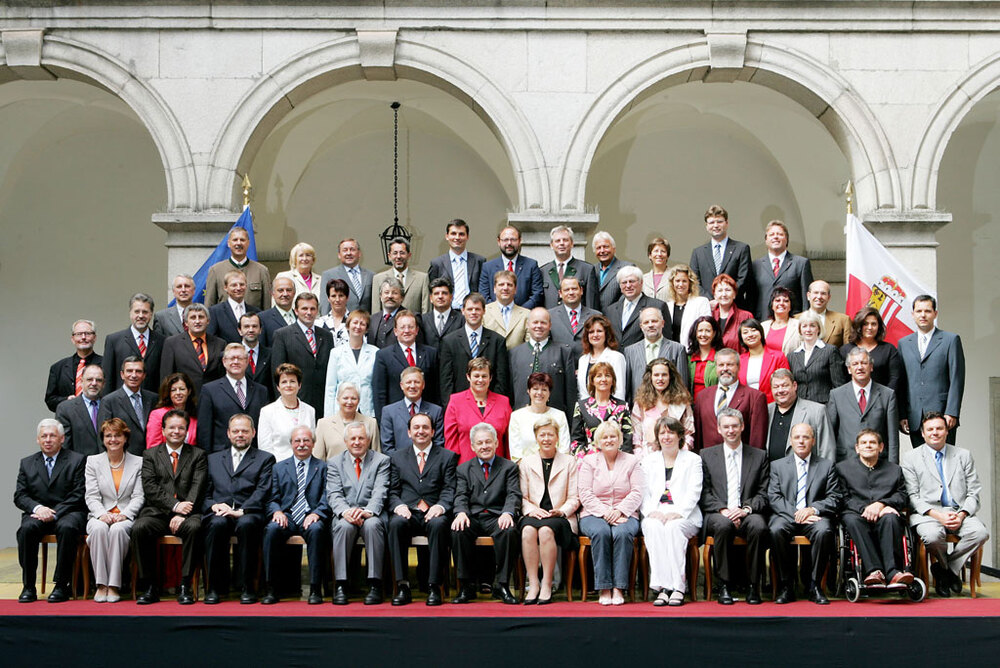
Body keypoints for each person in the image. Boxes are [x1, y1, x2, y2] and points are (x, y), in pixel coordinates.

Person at [901, 412, 988, 597]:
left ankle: (946, 571)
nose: (935, 433)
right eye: (930, 429)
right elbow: (912, 496)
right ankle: (947, 570)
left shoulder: (963, 455)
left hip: (960, 512)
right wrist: (938, 516)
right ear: (923, 434)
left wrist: (962, 514)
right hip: (928, 514)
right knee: (932, 536)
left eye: (939, 428)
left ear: (947, 431)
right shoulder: (911, 458)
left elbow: (974, 492)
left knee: (981, 533)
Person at [132, 409, 207, 605]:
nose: (176, 431)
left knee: (194, 528)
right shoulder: (150, 455)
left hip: (188, 514)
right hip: (158, 512)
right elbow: (150, 488)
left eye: (181, 428)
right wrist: (175, 506)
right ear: (163, 430)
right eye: (171, 427)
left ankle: (185, 585)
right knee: (140, 528)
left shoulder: (198, 455)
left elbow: (197, 487)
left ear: (187, 431)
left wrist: (184, 512)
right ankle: (149, 586)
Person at [699, 408, 770, 604]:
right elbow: (704, 492)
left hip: (748, 511)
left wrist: (745, 509)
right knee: (723, 525)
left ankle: (753, 586)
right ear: (719, 429)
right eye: (726, 427)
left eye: (734, 426)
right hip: (718, 512)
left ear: (742, 427)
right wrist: (724, 510)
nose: (731, 430)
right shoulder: (706, 455)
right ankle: (724, 585)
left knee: (759, 526)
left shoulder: (759, 456)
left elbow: (764, 493)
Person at [202, 413, 275, 604]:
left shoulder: (265, 459)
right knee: (216, 524)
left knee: (246, 524)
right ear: (228, 433)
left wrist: (243, 510)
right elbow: (205, 493)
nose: (240, 434)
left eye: (244, 431)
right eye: (236, 431)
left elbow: (263, 490)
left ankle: (248, 587)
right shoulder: (213, 459)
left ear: (253, 433)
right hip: (220, 512)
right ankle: (214, 588)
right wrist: (214, 505)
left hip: (249, 512)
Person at [387, 412, 458, 606]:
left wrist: (441, 506)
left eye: (425, 427)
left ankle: (434, 586)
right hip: (407, 512)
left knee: (439, 524)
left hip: (434, 511)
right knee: (396, 524)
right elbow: (392, 490)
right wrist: (399, 506)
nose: (421, 431)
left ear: (433, 431)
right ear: (409, 432)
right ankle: (403, 585)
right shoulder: (396, 457)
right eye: (416, 428)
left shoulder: (447, 456)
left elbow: (450, 488)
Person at [14, 419, 86, 603]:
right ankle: (28, 587)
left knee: (67, 528)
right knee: (26, 530)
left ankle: (62, 585)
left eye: (52, 435)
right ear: (38, 440)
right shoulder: (27, 463)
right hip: (37, 513)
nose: (48, 440)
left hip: (68, 511)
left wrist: (53, 512)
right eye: (43, 436)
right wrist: (38, 509)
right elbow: (20, 496)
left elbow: (79, 493)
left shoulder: (77, 460)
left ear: (62, 439)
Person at [767, 423, 840, 605]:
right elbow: (774, 497)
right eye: (797, 437)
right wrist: (797, 513)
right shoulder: (777, 466)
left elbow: (835, 497)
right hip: (786, 515)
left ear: (813, 441)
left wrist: (812, 509)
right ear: (791, 441)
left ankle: (815, 586)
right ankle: (786, 585)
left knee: (824, 531)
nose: (801, 441)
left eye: (806, 437)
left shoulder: (826, 466)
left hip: (815, 516)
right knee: (775, 530)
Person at [450, 422, 522, 605]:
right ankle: (466, 586)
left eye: (488, 442)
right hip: (472, 516)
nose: (484, 446)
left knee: (509, 531)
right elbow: (460, 495)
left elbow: (513, 494)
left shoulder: (509, 467)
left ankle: (502, 585)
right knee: (458, 530)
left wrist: (508, 513)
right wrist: (460, 513)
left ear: (497, 443)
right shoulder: (463, 469)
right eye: (480, 443)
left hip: (497, 516)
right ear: (473, 446)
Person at [262, 425, 329, 605]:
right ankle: (271, 588)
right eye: (297, 441)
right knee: (271, 529)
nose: (301, 444)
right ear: (291, 444)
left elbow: (327, 496)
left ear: (313, 443)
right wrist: (276, 511)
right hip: (288, 515)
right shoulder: (278, 468)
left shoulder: (323, 467)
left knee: (317, 530)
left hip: (311, 515)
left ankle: (315, 589)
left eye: (306, 440)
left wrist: (317, 513)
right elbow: (272, 497)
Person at [578, 420, 644, 605]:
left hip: (626, 513)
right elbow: (585, 493)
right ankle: (604, 587)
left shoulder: (631, 461)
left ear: (620, 439)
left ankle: (619, 588)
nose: (609, 440)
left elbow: (638, 491)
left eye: (613, 436)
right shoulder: (589, 461)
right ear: (598, 441)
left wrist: (620, 510)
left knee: (623, 534)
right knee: (601, 532)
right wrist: (607, 512)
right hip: (593, 513)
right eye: (604, 437)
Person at [640, 416, 703, 606]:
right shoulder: (648, 461)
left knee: (673, 528)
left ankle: (677, 587)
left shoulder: (693, 460)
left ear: (679, 435)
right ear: (657, 437)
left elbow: (695, 490)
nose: (666, 436)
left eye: (671, 432)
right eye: (662, 433)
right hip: (656, 512)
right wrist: (652, 512)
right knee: (652, 527)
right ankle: (662, 586)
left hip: (685, 514)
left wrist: (679, 512)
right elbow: (643, 492)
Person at [836, 429, 911, 587]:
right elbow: (842, 497)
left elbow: (902, 496)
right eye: (864, 443)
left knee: (891, 518)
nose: (868, 446)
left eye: (872, 442)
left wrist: (882, 504)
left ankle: (893, 572)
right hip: (856, 514)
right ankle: (874, 571)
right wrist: (866, 509)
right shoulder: (842, 468)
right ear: (857, 448)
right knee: (852, 520)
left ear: (881, 447)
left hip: (885, 514)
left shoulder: (894, 470)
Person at [327, 421, 390, 605]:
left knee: (373, 526)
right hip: (345, 514)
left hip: (372, 514)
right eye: (352, 438)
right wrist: (346, 512)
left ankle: (374, 584)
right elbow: (334, 493)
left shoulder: (381, 461)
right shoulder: (334, 463)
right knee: (343, 527)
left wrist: (367, 511)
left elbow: (381, 490)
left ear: (368, 440)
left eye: (361, 438)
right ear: (346, 441)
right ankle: (341, 584)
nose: (357, 442)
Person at [518, 417, 580, 605]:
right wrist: (531, 510)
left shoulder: (570, 461)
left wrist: (560, 511)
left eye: (550, 434)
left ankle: (547, 583)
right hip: (534, 513)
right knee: (528, 530)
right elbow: (521, 497)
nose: (546, 439)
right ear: (536, 437)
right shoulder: (526, 463)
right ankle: (533, 584)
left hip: (560, 516)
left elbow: (575, 497)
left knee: (546, 530)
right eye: (542, 435)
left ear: (557, 437)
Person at [84, 417, 144, 603]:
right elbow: (92, 496)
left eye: (117, 435)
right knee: (99, 529)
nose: (113, 440)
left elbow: (138, 496)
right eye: (108, 436)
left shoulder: (139, 462)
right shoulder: (93, 462)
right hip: (99, 514)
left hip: (125, 515)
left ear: (125, 438)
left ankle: (114, 585)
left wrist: (125, 514)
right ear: (103, 439)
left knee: (118, 530)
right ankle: (101, 584)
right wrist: (102, 514)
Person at [898, 295, 966, 446]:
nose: (923, 315)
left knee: (945, 463)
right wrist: (902, 414)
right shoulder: (904, 343)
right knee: (921, 464)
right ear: (913, 314)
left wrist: (952, 411)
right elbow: (902, 382)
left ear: (935, 313)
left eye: (927, 311)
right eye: (919, 311)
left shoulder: (950, 340)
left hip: (943, 415)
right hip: (914, 416)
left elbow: (957, 379)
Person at [827, 347, 899, 462]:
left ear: (871, 367)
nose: (860, 367)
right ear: (849, 369)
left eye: (864, 363)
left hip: (879, 462)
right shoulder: (836, 395)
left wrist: (893, 468)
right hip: (845, 462)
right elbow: (829, 435)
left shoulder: (887, 395)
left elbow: (893, 437)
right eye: (855, 364)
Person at [439, 292, 511, 403]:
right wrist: (450, 405)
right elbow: (446, 380)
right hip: (459, 404)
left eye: (477, 309)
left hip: (489, 404)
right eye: (470, 309)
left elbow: (501, 379)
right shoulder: (449, 341)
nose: (473, 313)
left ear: (484, 311)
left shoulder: (497, 341)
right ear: (463, 311)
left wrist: (495, 404)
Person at [271, 292, 334, 419]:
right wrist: (283, 405)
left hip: (322, 402)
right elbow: (277, 372)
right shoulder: (282, 335)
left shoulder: (326, 336)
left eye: (312, 309)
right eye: (304, 308)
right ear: (296, 311)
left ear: (317, 311)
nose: (309, 312)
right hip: (295, 401)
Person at [196, 344, 269, 452]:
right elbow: (204, 431)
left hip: (254, 458)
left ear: (247, 361)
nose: (235, 362)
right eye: (232, 358)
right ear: (224, 361)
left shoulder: (261, 391)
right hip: (221, 457)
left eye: (240, 358)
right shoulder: (210, 390)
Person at [692, 349, 767, 452]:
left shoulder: (755, 397)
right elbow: (698, 437)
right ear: (716, 367)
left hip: (741, 462)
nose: (725, 369)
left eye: (730, 365)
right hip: (709, 463)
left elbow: (757, 440)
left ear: (739, 367)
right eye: (721, 365)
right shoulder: (702, 396)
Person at [509, 308, 577, 420]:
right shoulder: (514, 353)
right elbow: (510, 392)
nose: (539, 326)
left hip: (553, 420)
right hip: (522, 419)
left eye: (543, 322)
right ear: (527, 324)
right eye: (535, 322)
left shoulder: (563, 352)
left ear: (550, 325)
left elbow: (570, 393)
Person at [372, 309, 438, 421]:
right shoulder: (383, 355)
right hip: (395, 418)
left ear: (417, 330)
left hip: (426, 418)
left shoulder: (431, 353)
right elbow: (379, 393)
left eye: (411, 327)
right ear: (395, 331)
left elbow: (435, 389)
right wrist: (382, 421)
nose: (406, 331)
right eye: (402, 327)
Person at [444, 357, 512, 463]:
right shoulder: (455, 401)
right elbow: (451, 442)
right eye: (476, 376)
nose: (480, 380)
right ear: (468, 377)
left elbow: (508, 441)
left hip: (498, 469)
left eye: (484, 376)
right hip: (466, 469)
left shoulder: (503, 402)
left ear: (490, 378)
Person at [689, 204, 753, 310]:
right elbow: (694, 281)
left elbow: (744, 279)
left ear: (727, 223)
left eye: (719, 221)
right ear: (706, 226)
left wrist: (724, 298)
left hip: (735, 307)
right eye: (711, 222)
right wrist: (710, 300)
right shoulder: (698, 253)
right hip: (708, 308)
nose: (716, 225)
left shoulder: (741, 249)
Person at [623, 306, 690, 403]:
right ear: (641, 326)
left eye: (654, 321)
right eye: (646, 322)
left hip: (669, 408)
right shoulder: (630, 351)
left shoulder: (677, 349)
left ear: (662, 323)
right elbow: (628, 388)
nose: (650, 325)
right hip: (640, 409)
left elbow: (682, 385)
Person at [750, 220, 813, 320]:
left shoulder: (801, 263)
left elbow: (807, 298)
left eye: (780, 234)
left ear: (787, 239)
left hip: (792, 321)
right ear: (766, 240)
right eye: (771, 234)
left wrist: (805, 320)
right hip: (763, 322)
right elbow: (751, 298)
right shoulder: (755, 265)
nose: (775, 237)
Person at [766, 369, 835, 461]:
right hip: (771, 473)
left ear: (794, 386)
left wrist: (826, 474)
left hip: (807, 473)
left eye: (785, 385)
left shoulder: (817, 411)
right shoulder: (766, 411)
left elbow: (827, 450)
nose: (780, 390)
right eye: (776, 387)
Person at [631, 358, 695, 455]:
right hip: (647, 459)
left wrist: (681, 454)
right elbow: (636, 437)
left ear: (670, 377)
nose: (660, 379)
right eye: (656, 375)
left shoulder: (682, 402)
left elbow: (689, 434)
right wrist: (640, 458)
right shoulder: (640, 403)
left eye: (664, 375)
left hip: (677, 457)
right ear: (650, 377)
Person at [102, 293, 164, 393]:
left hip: (153, 402)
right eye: (137, 311)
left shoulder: (162, 341)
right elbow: (107, 377)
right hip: (121, 403)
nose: (140, 316)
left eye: (145, 312)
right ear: (130, 313)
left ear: (151, 314)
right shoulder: (114, 340)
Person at [571, 362, 634, 457]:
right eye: (599, 376)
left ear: (613, 380)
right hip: (590, 461)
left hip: (617, 460)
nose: (603, 379)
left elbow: (627, 439)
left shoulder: (622, 406)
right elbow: (576, 440)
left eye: (607, 375)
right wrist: (585, 461)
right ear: (592, 380)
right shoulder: (581, 406)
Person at [96, 357, 157, 455]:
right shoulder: (109, 401)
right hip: (123, 459)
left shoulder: (153, 399)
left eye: (138, 371)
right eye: (129, 371)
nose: (133, 375)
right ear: (122, 374)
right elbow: (103, 435)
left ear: (144, 375)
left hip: (151, 457)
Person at [323, 309, 377, 418]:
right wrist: (328, 417)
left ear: (366, 329)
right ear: (348, 326)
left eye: (362, 324)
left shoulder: (375, 352)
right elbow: (330, 388)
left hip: (366, 410)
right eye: (355, 322)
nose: (358, 326)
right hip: (342, 410)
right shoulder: (336, 353)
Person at [159, 303, 225, 392]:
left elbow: (223, 376)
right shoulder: (172, 343)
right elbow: (166, 377)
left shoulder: (220, 344)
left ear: (208, 320)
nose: (197, 321)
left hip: (213, 398)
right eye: (193, 317)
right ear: (186, 322)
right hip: (185, 399)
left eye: (201, 317)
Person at [258, 363, 316, 462]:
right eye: (284, 382)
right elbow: (265, 447)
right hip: (279, 467)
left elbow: (313, 442)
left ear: (299, 385)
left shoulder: (310, 410)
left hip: (306, 466)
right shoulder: (267, 412)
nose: (288, 385)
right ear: (278, 387)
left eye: (292, 381)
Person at [379, 367, 444, 454]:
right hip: (399, 465)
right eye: (408, 382)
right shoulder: (389, 412)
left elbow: (438, 444)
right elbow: (387, 447)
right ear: (402, 385)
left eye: (417, 382)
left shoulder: (436, 411)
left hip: (429, 464)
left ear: (423, 385)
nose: (412, 386)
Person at [787, 310, 849, 403]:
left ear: (819, 328)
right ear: (800, 330)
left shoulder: (830, 351)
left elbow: (838, 386)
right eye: (804, 326)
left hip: (824, 407)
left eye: (812, 325)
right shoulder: (792, 356)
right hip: (799, 407)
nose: (808, 330)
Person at [840, 306, 904, 395]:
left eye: (873, 324)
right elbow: (841, 379)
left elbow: (895, 378)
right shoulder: (845, 350)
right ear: (859, 325)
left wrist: (884, 399)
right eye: (865, 324)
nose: (869, 327)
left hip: (882, 401)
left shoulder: (889, 350)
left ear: (879, 327)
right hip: (852, 401)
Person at [204, 226, 272, 310]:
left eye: (242, 240)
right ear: (228, 243)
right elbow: (209, 305)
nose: (239, 243)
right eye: (235, 240)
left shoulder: (261, 271)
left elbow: (267, 307)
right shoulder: (216, 270)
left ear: (248, 243)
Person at [508, 372, 572, 462]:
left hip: (556, 469)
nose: (539, 393)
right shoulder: (517, 416)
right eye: (535, 389)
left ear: (549, 393)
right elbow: (516, 455)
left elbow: (564, 450)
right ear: (528, 391)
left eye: (544, 390)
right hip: (526, 470)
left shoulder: (559, 415)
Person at [478, 225, 544, 308]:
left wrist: (520, 313)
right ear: (499, 241)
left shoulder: (531, 265)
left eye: (513, 239)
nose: (509, 243)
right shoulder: (487, 267)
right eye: (505, 240)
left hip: (524, 317)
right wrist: (498, 312)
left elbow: (537, 294)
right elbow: (483, 295)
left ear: (520, 241)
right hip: (495, 317)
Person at [45, 319, 103, 412]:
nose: (83, 337)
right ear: (72, 339)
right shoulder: (58, 368)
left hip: (99, 418)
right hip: (68, 420)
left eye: (88, 333)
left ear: (95, 338)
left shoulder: (106, 364)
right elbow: (50, 400)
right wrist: (67, 400)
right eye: (79, 334)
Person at [427, 218, 486, 310]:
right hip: (447, 313)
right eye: (453, 233)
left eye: (461, 234)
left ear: (467, 237)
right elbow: (432, 292)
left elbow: (484, 290)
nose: (457, 237)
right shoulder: (437, 263)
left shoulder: (479, 261)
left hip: (471, 312)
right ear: (447, 236)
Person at [606, 265, 669, 348]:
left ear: (641, 282)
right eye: (624, 282)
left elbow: (667, 340)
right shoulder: (611, 310)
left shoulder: (658, 306)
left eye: (632, 281)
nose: (628, 286)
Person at [314, 382, 380, 460]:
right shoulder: (323, 424)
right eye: (345, 398)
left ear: (358, 401)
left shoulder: (371, 423)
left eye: (353, 398)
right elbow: (318, 459)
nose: (349, 402)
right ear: (338, 399)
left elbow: (377, 458)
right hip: (333, 471)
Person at [539, 225, 598, 309]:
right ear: (551, 245)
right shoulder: (543, 271)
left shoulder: (587, 269)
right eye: (557, 241)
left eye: (565, 240)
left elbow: (591, 304)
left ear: (572, 243)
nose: (561, 243)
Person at [371, 236, 431, 314]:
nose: (398, 256)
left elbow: (426, 311)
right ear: (389, 256)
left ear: (409, 255)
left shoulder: (422, 278)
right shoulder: (378, 279)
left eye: (402, 253)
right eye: (395, 253)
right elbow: (376, 312)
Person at [55, 364, 105, 456]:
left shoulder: (110, 405)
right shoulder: (66, 409)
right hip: (80, 467)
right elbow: (65, 445)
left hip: (109, 465)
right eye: (89, 379)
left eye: (98, 380)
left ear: (103, 384)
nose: (94, 383)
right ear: (81, 382)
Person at [576, 314, 627, 401]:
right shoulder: (582, 360)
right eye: (591, 332)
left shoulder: (617, 357)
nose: (595, 335)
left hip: (610, 411)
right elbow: (582, 392)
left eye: (599, 331)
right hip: (586, 411)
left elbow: (619, 391)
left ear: (606, 334)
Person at [738, 318, 790, 403]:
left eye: (753, 330)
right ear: (741, 338)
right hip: (747, 406)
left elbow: (786, 384)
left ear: (761, 333)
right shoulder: (739, 360)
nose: (750, 335)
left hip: (772, 405)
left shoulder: (778, 357)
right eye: (745, 332)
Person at [319, 237, 374, 314]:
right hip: (341, 323)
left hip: (366, 323)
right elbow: (325, 304)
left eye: (352, 249)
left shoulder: (371, 275)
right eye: (345, 250)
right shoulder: (329, 275)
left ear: (359, 253)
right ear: (339, 255)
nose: (349, 253)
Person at [548, 276, 599, 357]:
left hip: (588, 365)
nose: (571, 292)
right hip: (560, 366)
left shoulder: (596, 316)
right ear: (560, 294)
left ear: (581, 291)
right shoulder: (550, 316)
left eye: (574, 289)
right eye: (566, 290)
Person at [663, 263, 712, 349]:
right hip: (671, 352)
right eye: (677, 281)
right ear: (672, 283)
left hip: (693, 352)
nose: (680, 285)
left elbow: (706, 329)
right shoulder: (667, 306)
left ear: (690, 283)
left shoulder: (701, 302)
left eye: (684, 281)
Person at [207, 270, 262, 345]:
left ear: (246, 286)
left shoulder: (257, 312)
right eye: (234, 285)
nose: (239, 288)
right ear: (225, 288)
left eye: (242, 284)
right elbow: (212, 340)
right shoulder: (214, 312)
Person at [146, 372, 198, 448]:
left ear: (189, 391)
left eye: (182, 389)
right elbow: (153, 447)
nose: (178, 393)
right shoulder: (157, 415)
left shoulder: (194, 416)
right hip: (162, 459)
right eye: (173, 390)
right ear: (168, 393)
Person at [484, 270, 532, 350]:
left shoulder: (527, 314)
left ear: (515, 289)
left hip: (518, 360)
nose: (505, 288)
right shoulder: (484, 312)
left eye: (509, 285)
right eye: (501, 284)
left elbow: (529, 345)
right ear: (494, 289)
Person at [797, 280, 852, 347]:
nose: (819, 296)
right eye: (816, 293)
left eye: (823, 293)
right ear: (808, 296)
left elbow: (848, 350)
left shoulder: (843, 320)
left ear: (829, 297)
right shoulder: (795, 319)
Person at [592, 231, 634, 311]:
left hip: (617, 318)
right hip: (595, 320)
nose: (602, 250)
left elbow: (627, 297)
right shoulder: (592, 269)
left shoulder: (626, 268)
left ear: (614, 249)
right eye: (598, 248)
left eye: (606, 247)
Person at [711, 274, 754, 352]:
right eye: (720, 290)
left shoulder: (746, 316)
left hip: (738, 362)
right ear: (715, 295)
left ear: (734, 294)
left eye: (728, 290)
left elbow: (751, 347)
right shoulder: (709, 316)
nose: (724, 294)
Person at [418, 277, 464, 348]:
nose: (440, 296)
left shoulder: (461, 319)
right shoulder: (423, 320)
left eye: (444, 293)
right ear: (431, 298)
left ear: (451, 297)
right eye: (436, 293)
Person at [687, 315, 723, 399]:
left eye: (708, 331)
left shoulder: (721, 358)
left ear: (714, 333)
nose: (703, 334)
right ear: (695, 333)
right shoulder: (687, 358)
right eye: (700, 331)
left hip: (713, 406)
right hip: (690, 407)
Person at [761, 286, 802, 356]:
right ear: (772, 305)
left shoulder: (799, 326)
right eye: (777, 300)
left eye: (786, 301)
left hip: (790, 366)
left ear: (790, 306)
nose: (781, 303)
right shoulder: (763, 326)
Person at [240, 312, 273, 397]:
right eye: (246, 326)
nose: (251, 330)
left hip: (265, 403)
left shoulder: (271, 354)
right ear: (240, 330)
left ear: (260, 330)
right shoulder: (232, 356)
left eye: (254, 326)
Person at [258, 276, 298, 344]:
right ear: (272, 293)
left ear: (294, 293)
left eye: (289, 290)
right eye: (280, 290)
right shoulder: (262, 318)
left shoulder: (300, 317)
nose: (285, 294)